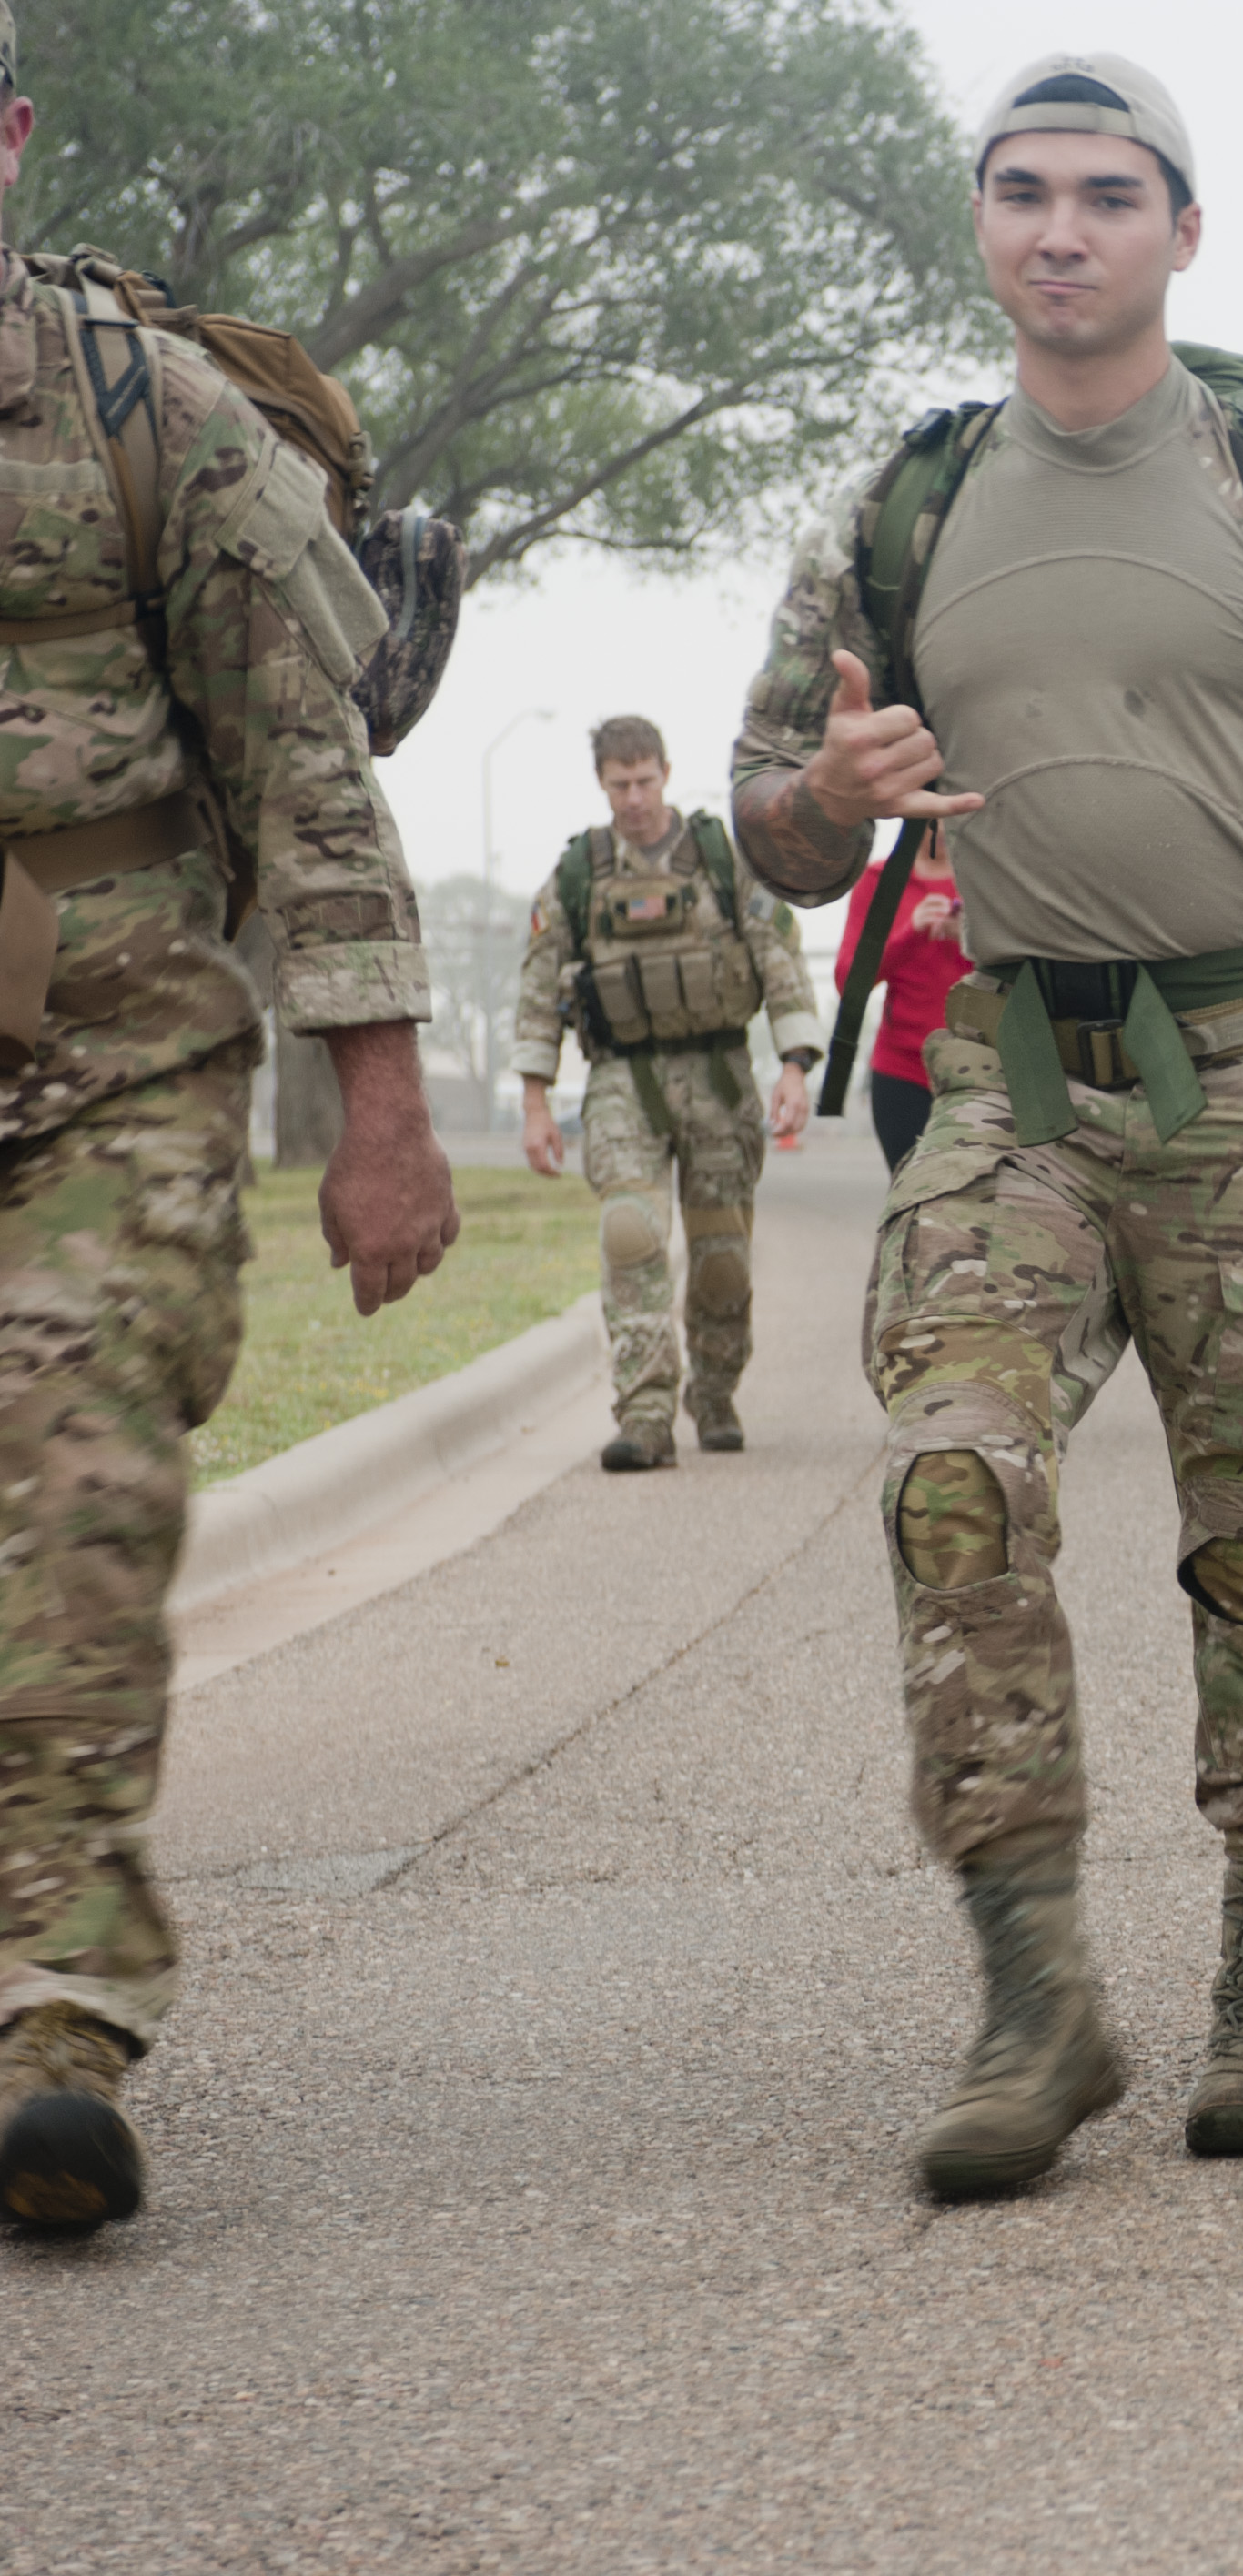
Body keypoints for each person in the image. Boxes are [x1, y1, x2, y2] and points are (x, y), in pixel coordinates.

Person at [728, 53, 1243, 2199]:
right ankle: (1035, 1989)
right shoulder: (896, 511)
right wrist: (833, 795)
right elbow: (777, 829)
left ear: (1184, 231)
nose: (1062, 228)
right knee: (952, 1478)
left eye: (1109, 193)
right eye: (1023, 192)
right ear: (984, 226)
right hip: (1010, 1075)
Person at [0, 0, 460, 2234]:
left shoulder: (137, 410)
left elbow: (306, 764)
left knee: (75, 1480)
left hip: (120, 1057)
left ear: (5, 140)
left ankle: (59, 2015)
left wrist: (380, 1100)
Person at [516, 716, 823, 1468]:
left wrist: (793, 1064)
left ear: (665, 771)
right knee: (631, 1232)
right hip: (624, 1076)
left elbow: (777, 957)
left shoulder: (720, 858)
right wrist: (533, 1099)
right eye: (619, 784)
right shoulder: (580, 874)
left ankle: (715, 1393)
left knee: (722, 1256)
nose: (634, 797)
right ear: (602, 783)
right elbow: (536, 984)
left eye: (645, 780)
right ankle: (645, 1414)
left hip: (718, 1076)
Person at [837, 822, 971, 1173]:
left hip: (982, 1071)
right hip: (903, 1072)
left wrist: (971, 939)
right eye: (931, 813)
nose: (941, 827)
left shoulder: (987, 877)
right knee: (912, 1198)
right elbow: (848, 981)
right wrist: (909, 933)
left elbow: (1020, 970)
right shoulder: (879, 880)